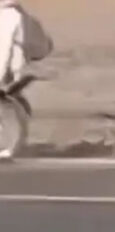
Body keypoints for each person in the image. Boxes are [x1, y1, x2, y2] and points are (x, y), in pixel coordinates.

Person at [0, 0, 52, 159]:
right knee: (10, 104)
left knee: (8, 104)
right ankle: (11, 144)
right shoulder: (16, 15)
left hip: (11, 71)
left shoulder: (8, 16)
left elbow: (5, 49)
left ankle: (10, 145)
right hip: (15, 69)